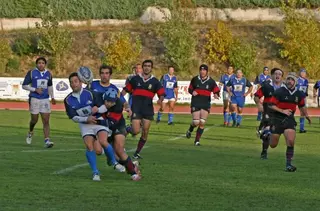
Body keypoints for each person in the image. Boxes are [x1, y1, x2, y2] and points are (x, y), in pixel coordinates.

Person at [64, 72, 125, 181]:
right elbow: (73, 117)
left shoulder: (91, 93)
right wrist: (86, 119)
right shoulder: (68, 100)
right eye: (71, 82)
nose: (74, 84)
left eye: (76, 81)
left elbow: (105, 106)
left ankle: (115, 163)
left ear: (81, 82)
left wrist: (98, 109)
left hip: (98, 121)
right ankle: (95, 172)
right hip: (85, 124)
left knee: (103, 141)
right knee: (89, 147)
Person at [92, 87, 142, 181]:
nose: (109, 104)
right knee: (106, 155)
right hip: (103, 127)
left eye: (112, 102)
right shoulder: (97, 98)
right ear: (104, 98)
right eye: (107, 101)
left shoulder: (118, 105)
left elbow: (111, 123)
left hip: (117, 126)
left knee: (119, 149)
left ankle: (133, 173)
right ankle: (130, 164)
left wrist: (94, 121)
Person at [122, 60, 165, 159]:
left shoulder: (155, 81)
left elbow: (161, 94)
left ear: (151, 68)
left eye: (149, 66)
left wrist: (160, 100)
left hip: (148, 109)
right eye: (145, 66)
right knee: (136, 131)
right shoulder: (135, 79)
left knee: (145, 132)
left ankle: (137, 152)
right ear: (142, 67)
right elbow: (125, 90)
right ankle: (128, 129)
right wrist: (122, 100)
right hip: (136, 108)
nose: (146, 68)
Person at [268, 72, 311, 172]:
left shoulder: (299, 94)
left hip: (289, 119)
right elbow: (271, 105)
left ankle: (288, 164)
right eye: (288, 79)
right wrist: (282, 111)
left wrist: (307, 115)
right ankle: (266, 135)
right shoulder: (279, 91)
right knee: (273, 145)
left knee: (291, 141)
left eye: (292, 80)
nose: (289, 81)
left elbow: (301, 106)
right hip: (277, 119)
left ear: (295, 82)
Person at [22, 57, 55, 148]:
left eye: (43, 63)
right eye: (39, 63)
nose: (41, 64)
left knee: (46, 121)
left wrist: (52, 97)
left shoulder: (48, 74)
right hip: (34, 98)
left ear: (45, 64)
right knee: (34, 120)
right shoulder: (32, 73)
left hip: (45, 99)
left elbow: (50, 86)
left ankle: (47, 140)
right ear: (36, 64)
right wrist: (35, 89)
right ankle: (30, 131)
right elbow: (24, 85)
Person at [185, 64, 220, 146]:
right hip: (196, 102)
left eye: (204, 70)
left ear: (207, 72)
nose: (202, 71)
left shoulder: (211, 81)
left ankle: (197, 141)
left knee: (202, 122)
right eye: (201, 70)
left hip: (205, 103)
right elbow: (190, 89)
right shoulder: (195, 79)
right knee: (196, 122)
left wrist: (216, 94)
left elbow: (216, 90)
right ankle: (190, 130)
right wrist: (192, 92)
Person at [254, 68, 284, 159]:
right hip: (268, 113)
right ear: (272, 76)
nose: (277, 75)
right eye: (275, 73)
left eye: (279, 74)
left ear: (282, 77)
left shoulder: (285, 88)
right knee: (266, 132)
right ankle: (264, 151)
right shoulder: (266, 86)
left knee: (273, 142)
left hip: (279, 115)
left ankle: (265, 135)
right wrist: (259, 104)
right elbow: (256, 96)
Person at [296, 68, 309, 133]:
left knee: (303, 113)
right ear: (300, 73)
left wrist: (306, 94)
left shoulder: (306, 81)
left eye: (304, 73)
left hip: (303, 98)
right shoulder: (297, 80)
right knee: (291, 111)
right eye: (302, 72)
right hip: (297, 98)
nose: (303, 74)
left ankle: (301, 128)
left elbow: (306, 89)